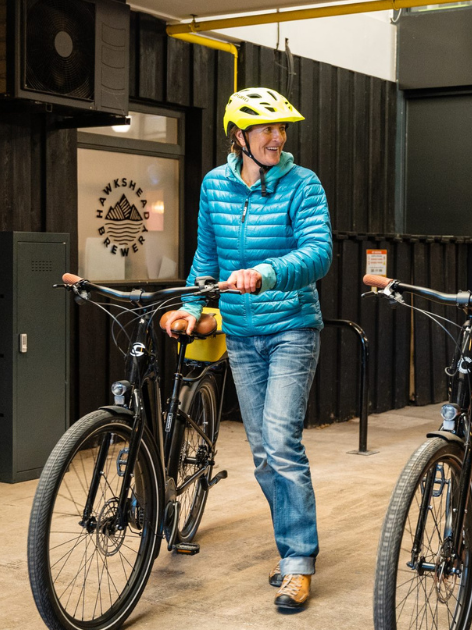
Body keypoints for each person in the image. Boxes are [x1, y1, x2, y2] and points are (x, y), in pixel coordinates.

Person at [163, 87, 332, 610]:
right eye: (266, 129)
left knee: (281, 442)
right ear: (239, 137)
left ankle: (299, 560)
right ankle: (291, 549)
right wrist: (192, 306)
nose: (277, 137)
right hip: (239, 332)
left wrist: (266, 273)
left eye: (282, 128)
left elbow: (318, 253)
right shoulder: (215, 185)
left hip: (291, 329)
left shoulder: (303, 184)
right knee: (262, 456)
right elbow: (205, 258)